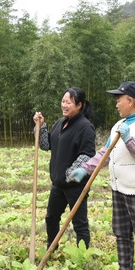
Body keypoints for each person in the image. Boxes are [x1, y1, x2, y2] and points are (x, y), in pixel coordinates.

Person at [68, 81, 135, 270]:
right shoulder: (119, 126)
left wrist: (130, 139)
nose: (117, 104)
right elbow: (105, 153)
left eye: (119, 100)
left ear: (131, 101)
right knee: (121, 232)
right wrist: (85, 169)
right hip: (119, 187)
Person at [33, 87, 96, 251]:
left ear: (79, 105)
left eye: (69, 102)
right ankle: (51, 249)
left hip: (76, 185)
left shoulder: (85, 127)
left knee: (79, 223)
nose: (64, 105)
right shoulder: (61, 123)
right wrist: (41, 126)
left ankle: (83, 255)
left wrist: (70, 173)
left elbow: (87, 155)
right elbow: (46, 145)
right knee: (51, 218)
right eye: (63, 101)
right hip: (58, 183)